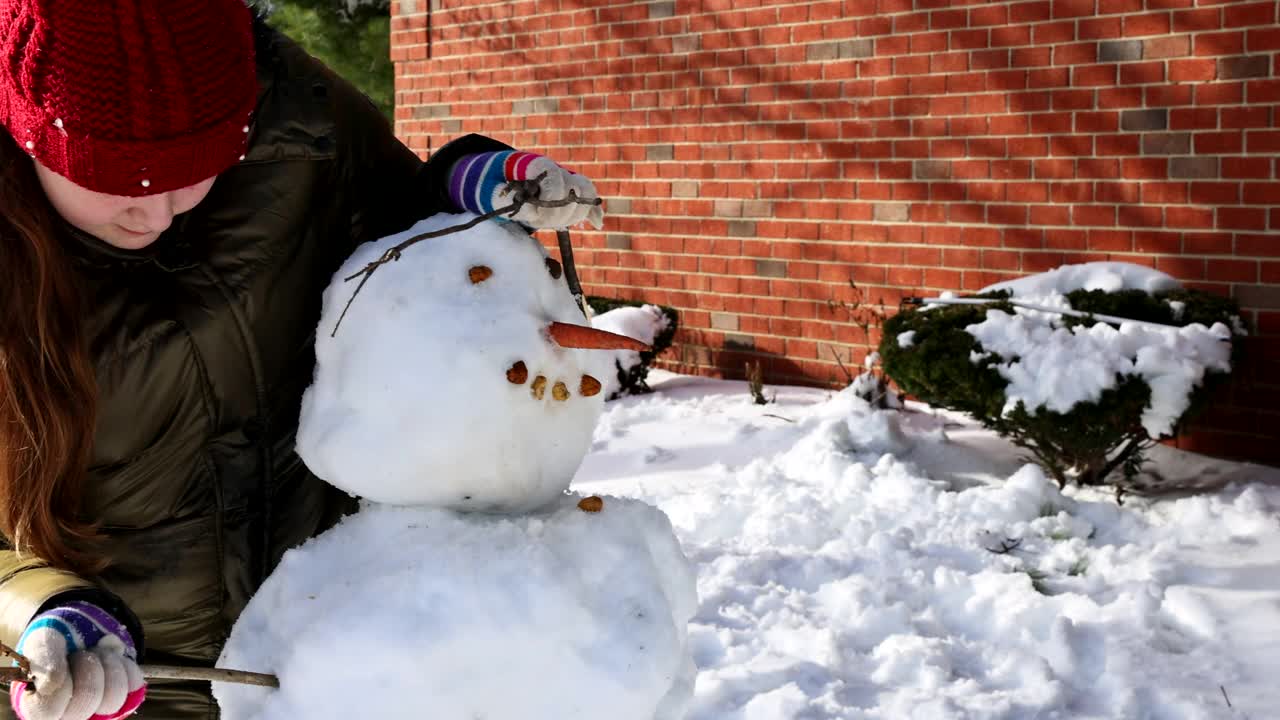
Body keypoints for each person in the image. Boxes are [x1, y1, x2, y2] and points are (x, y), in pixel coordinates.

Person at [0, 1, 602, 718]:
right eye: (115, 178)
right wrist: (43, 607)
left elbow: (395, 225)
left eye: (196, 171)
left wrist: (465, 185)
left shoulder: (297, 118)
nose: (158, 212)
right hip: (106, 691)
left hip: (313, 669)